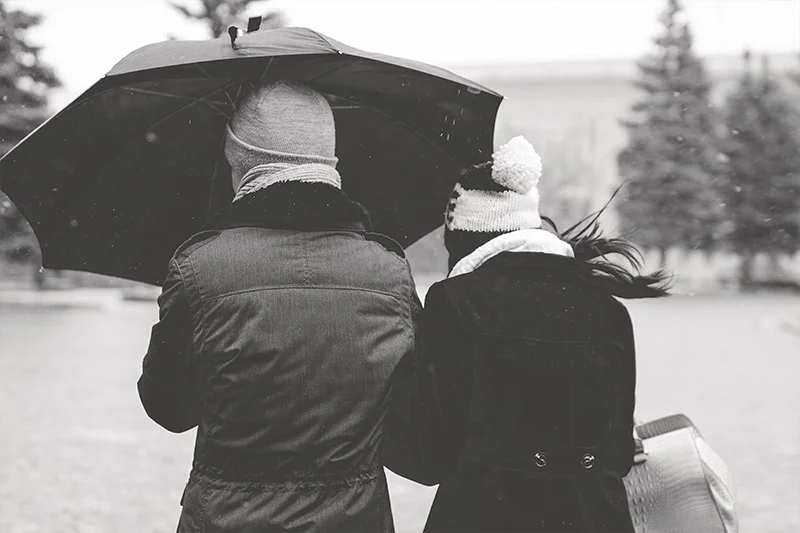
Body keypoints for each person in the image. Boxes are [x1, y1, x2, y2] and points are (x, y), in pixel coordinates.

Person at [137, 81, 421, 532]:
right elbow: (412, 418)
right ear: (328, 165)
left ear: (243, 165)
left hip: (227, 520)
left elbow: (168, 409)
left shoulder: (200, 268)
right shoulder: (390, 271)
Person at [382, 136, 670, 532]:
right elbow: (618, 454)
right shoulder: (607, 309)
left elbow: (427, 455)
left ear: (463, 240)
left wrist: (387, 392)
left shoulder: (456, 303)